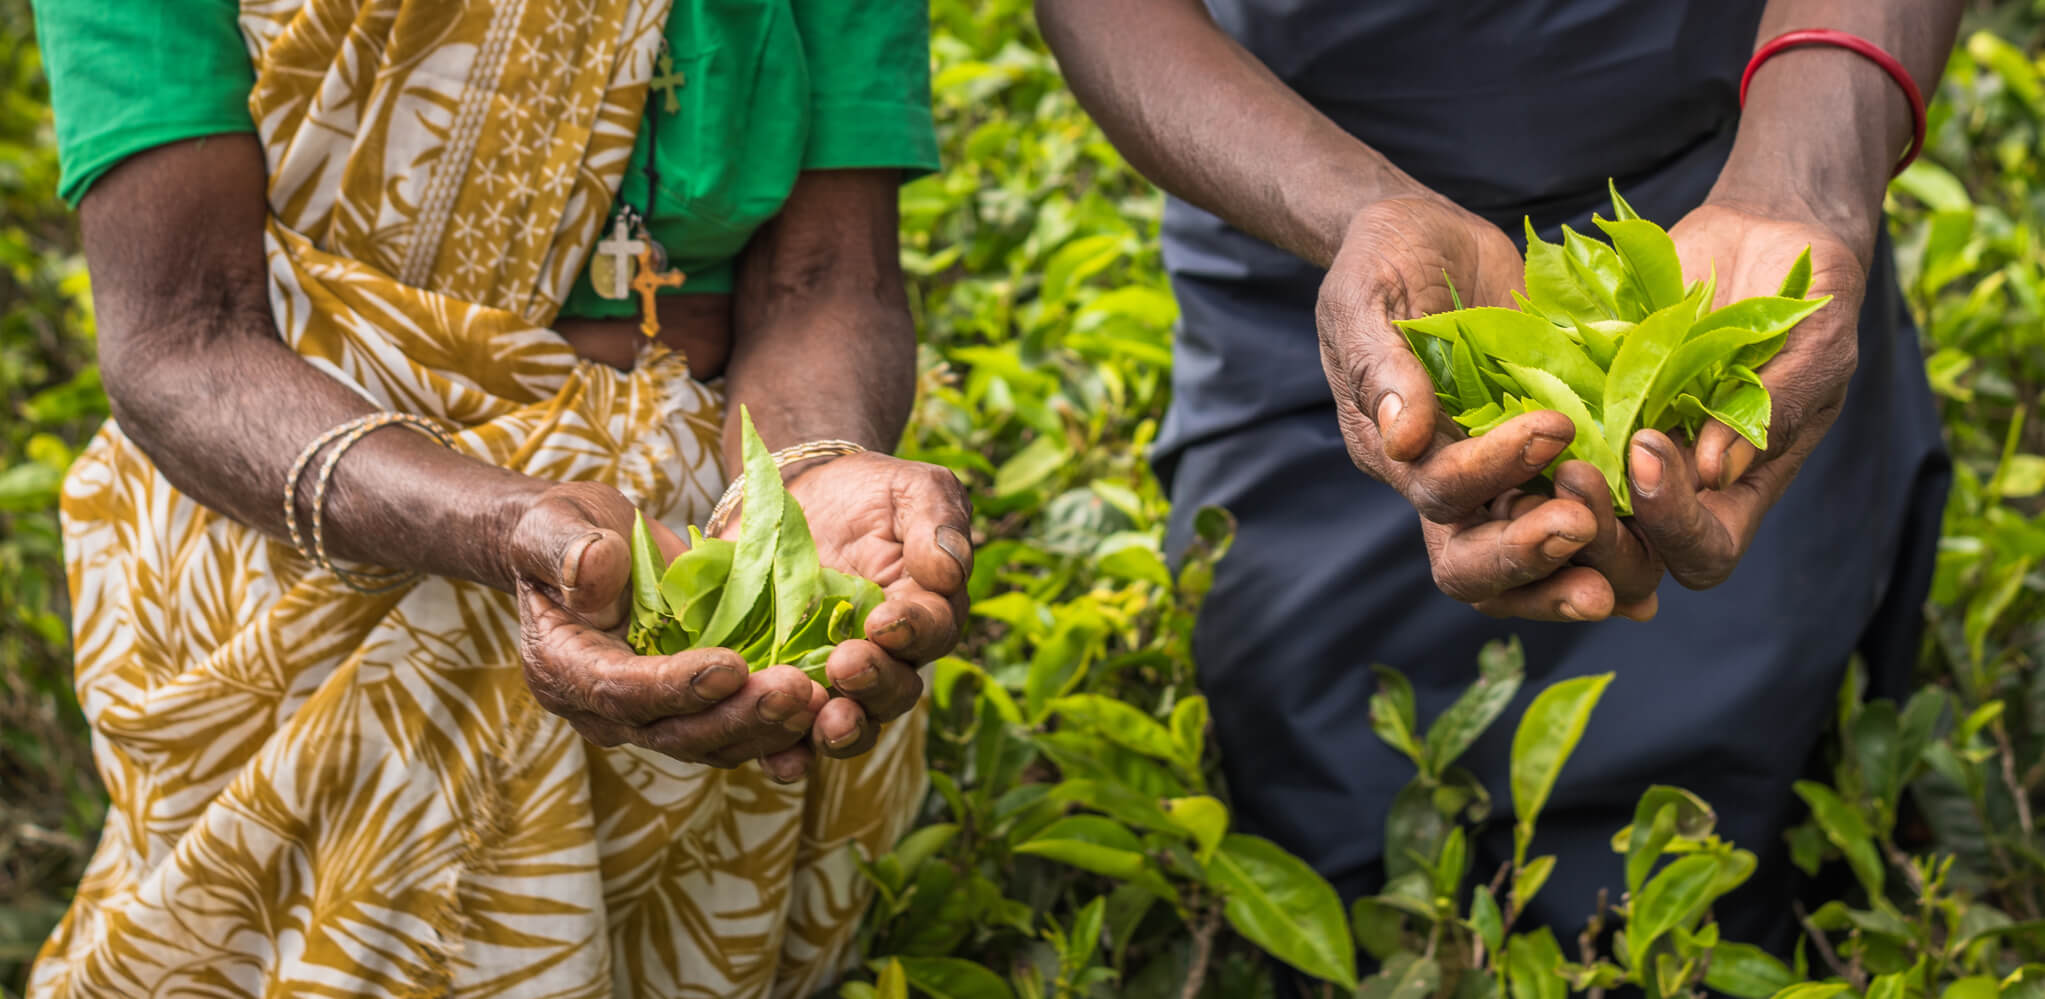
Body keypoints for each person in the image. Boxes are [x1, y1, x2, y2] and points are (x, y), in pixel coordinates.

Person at [28, 0, 968, 996]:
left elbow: (825, 280)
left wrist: (814, 470)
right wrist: (505, 524)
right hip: (312, 543)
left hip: (700, 553)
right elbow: (188, 337)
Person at [1036, 0, 1960, 979]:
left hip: (1731, 199)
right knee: (1341, 821)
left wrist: (1808, 183)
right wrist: (1357, 211)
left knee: (1751, 816)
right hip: (1299, 222)